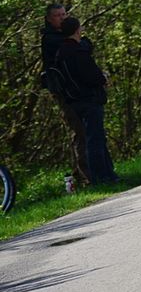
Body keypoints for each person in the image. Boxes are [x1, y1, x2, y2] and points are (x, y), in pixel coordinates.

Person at [55, 16, 119, 185]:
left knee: (93, 139)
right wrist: (103, 78)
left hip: (73, 101)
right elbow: (92, 76)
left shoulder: (60, 53)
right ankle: (102, 177)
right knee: (95, 140)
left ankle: (108, 175)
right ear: (77, 30)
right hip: (89, 99)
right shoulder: (78, 52)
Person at [41, 3, 91, 187]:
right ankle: (86, 177)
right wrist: (78, 38)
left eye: (64, 14)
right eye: (58, 16)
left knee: (86, 130)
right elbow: (78, 47)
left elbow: (86, 46)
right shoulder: (51, 39)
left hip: (77, 90)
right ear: (49, 19)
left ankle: (83, 173)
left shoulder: (65, 36)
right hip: (63, 92)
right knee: (79, 130)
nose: (62, 18)